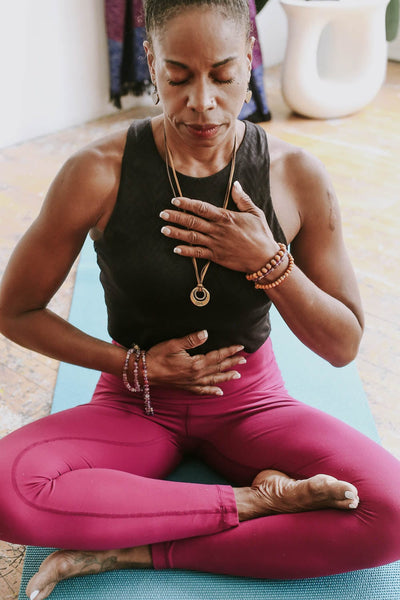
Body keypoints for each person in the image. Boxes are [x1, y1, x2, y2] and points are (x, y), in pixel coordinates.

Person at [0, 1, 399, 599]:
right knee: (8, 488)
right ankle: (254, 502)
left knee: (391, 509)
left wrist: (269, 262)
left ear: (250, 58)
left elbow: (343, 344)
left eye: (224, 74)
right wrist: (133, 364)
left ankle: (131, 550)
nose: (202, 102)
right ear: (150, 62)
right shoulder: (97, 171)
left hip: (251, 404)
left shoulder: (295, 176)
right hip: (136, 402)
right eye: (179, 76)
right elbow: (14, 309)